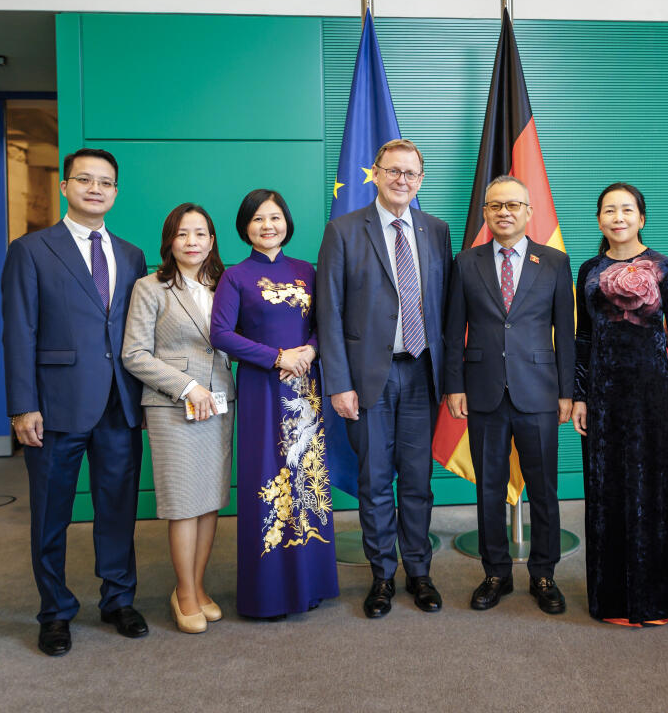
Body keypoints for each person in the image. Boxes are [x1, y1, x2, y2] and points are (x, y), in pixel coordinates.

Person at [1, 147, 149, 656]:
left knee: (117, 509)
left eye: (105, 182)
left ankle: (118, 599)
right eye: (84, 180)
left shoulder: (131, 255)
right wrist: (23, 405)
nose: (95, 189)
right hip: (54, 405)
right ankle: (55, 611)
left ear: (115, 192)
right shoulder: (32, 249)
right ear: (64, 186)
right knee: (51, 514)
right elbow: (18, 331)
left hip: (119, 405)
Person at [316, 138, 451, 618]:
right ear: (374, 173)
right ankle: (382, 577)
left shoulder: (437, 231)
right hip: (367, 378)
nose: (402, 180)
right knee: (375, 481)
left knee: (417, 480)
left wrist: (450, 379)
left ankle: (419, 571)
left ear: (420, 179)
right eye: (392, 171)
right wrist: (338, 382)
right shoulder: (344, 230)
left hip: (422, 373)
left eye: (411, 173)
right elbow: (328, 313)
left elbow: (445, 312)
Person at [444, 175, 575, 615]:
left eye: (513, 205)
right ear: (485, 213)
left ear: (528, 211)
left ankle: (544, 574)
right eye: (495, 206)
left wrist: (567, 392)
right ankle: (495, 572)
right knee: (489, 490)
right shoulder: (465, 262)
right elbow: (451, 331)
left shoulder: (554, 262)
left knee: (544, 489)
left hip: (539, 392)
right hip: (482, 393)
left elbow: (567, 334)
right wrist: (454, 385)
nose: (504, 212)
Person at [211, 189, 338, 619]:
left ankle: (310, 583)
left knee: (307, 481)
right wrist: (277, 357)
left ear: (287, 222)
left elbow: (325, 324)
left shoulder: (307, 270)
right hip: (262, 390)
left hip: (305, 389)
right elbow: (222, 334)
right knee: (267, 479)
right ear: (245, 227)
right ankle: (269, 594)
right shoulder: (235, 276)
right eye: (258, 219)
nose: (268, 226)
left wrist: (309, 353)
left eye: (275, 217)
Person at [571, 182, 668, 626]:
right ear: (599, 218)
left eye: (627, 210)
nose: (618, 217)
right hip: (603, 399)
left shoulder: (664, 268)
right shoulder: (588, 269)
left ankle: (657, 600)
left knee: (658, 493)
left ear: (642, 217)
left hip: (655, 396)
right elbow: (584, 338)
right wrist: (580, 395)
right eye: (609, 210)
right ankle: (613, 601)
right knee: (607, 494)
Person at [122, 203, 234, 634]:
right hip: (174, 406)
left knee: (210, 501)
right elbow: (134, 354)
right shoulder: (151, 287)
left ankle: (198, 585)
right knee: (184, 503)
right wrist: (186, 387)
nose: (193, 242)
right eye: (183, 234)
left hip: (221, 400)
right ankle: (184, 591)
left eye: (201, 233)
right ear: (170, 240)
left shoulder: (225, 283)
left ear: (212, 240)